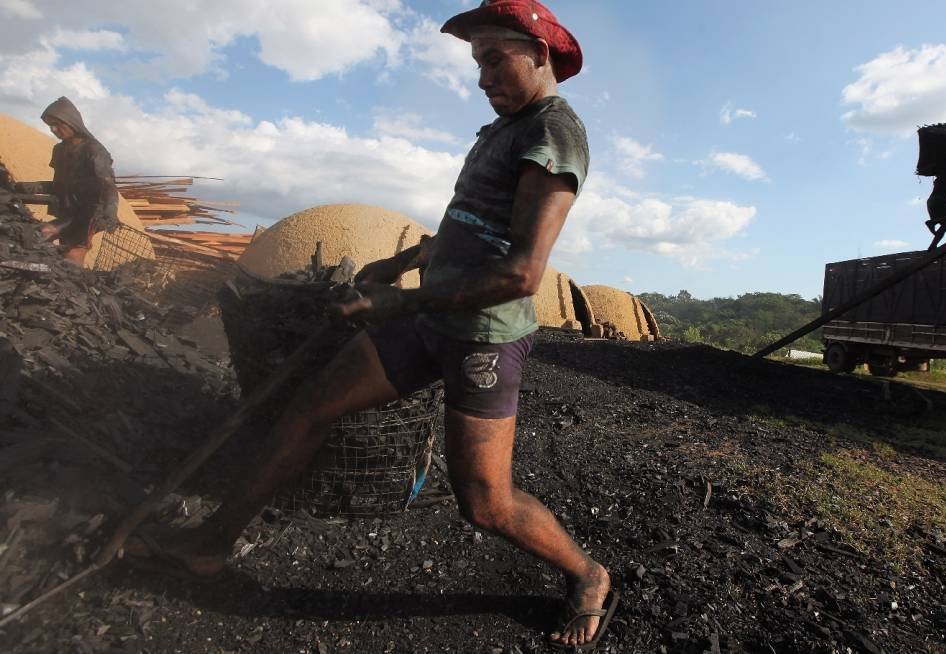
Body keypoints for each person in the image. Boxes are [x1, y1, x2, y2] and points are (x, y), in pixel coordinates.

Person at [124, 1, 617, 649]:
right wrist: (404, 261)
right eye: (476, 63)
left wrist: (395, 304)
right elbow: (472, 223)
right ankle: (212, 543)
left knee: (485, 503)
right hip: (432, 317)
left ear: (540, 53)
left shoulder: (555, 132)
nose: (482, 77)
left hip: (483, 338)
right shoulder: (502, 129)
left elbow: (522, 273)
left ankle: (588, 575)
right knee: (309, 407)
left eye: (495, 59)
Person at [14, 97, 120, 266]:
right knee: (47, 240)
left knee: (69, 251)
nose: (54, 130)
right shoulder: (59, 150)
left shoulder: (93, 150)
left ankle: (75, 286)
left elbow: (107, 184)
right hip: (67, 210)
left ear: (71, 122)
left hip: (89, 214)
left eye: (57, 124)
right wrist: (33, 187)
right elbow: (61, 185)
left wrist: (111, 210)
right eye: (50, 126)